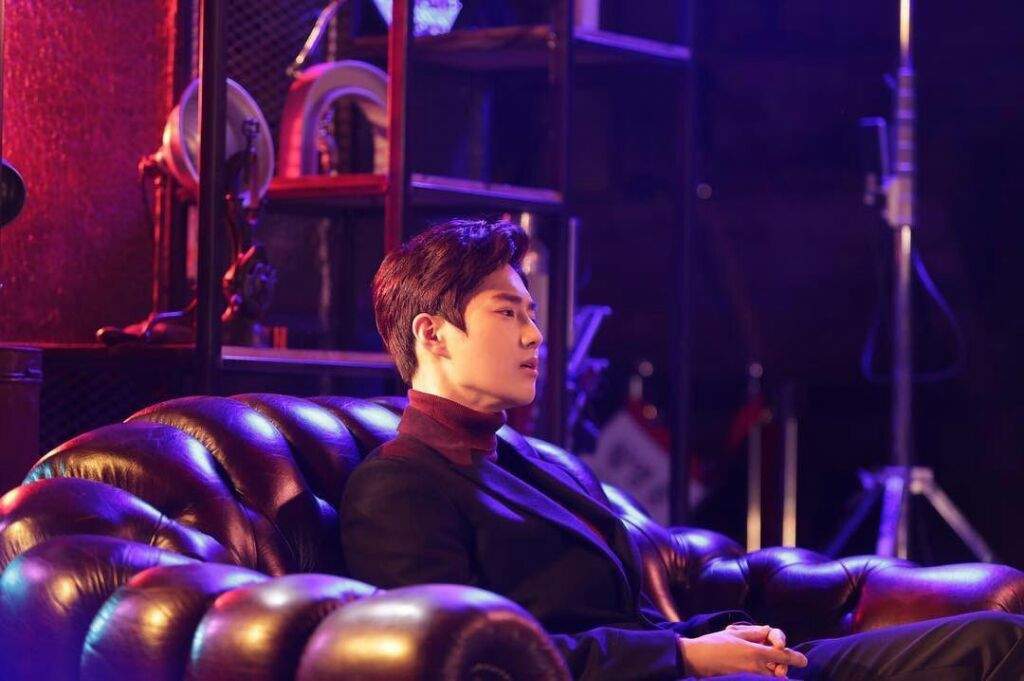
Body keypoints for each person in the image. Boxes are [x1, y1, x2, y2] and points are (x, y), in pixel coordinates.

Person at [340, 219, 1024, 680]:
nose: (534, 335)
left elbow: (633, 611)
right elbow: (474, 662)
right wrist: (688, 656)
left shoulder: (531, 459)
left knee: (1000, 639)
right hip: (666, 674)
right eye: (507, 312)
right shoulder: (397, 488)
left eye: (531, 313)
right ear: (432, 334)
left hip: (699, 661)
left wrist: (729, 636)